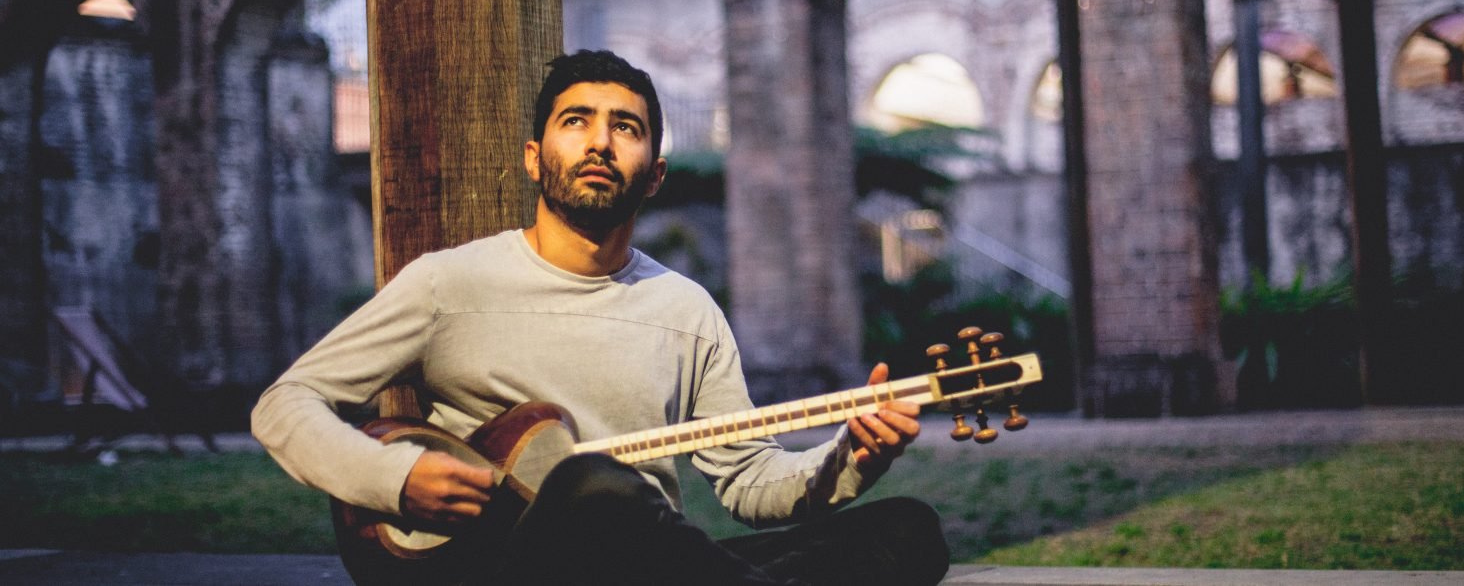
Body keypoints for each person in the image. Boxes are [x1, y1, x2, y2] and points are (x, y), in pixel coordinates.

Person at [251, 49, 950, 585]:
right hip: (491, 566)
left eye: (625, 128)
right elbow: (286, 404)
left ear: (653, 174)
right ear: (535, 158)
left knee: (910, 530)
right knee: (595, 484)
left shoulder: (686, 311)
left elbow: (747, 486)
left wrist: (852, 458)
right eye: (575, 122)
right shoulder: (447, 283)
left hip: (641, 561)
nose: (599, 143)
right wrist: (392, 478)